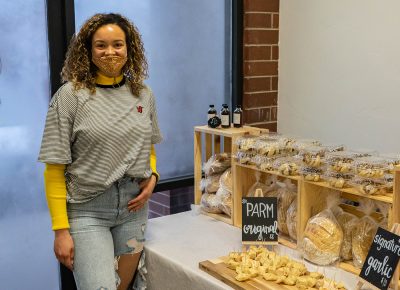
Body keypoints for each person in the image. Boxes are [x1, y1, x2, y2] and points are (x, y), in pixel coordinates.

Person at [38, 13, 162, 290]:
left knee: (122, 286)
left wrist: (153, 176)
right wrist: (60, 230)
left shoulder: (144, 95)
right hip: (87, 210)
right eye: (101, 45)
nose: (110, 52)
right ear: (88, 50)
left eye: (117, 44)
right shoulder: (70, 96)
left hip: (134, 208)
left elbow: (147, 146)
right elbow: (54, 168)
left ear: (129, 48)